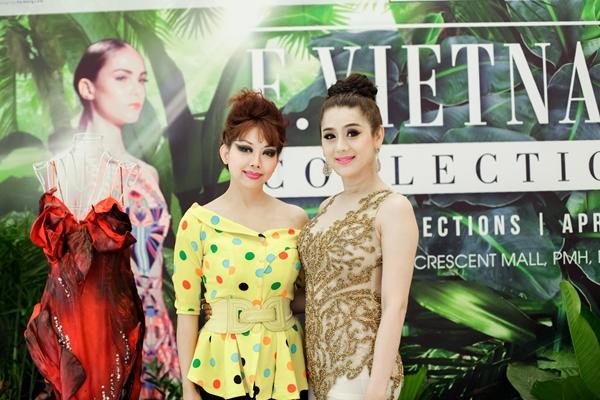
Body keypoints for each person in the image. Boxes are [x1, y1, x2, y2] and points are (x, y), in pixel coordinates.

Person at [173, 89, 309, 400]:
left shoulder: (296, 220)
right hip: (220, 369)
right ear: (225, 153)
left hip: (283, 367)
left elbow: (305, 295)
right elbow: (187, 311)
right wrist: (187, 388)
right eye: (245, 149)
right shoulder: (198, 222)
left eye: (268, 152)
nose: (256, 162)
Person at [297, 73, 418, 400]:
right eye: (330, 136)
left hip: (362, 376)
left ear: (377, 135)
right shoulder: (327, 206)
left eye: (353, 133)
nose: (340, 146)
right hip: (319, 375)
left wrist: (375, 392)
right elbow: (321, 292)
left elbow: (395, 305)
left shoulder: (393, 208)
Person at [73, 38, 180, 397]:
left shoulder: (148, 173)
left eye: (142, 79)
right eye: (122, 77)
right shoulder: (70, 172)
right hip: (101, 331)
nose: (136, 90)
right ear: (87, 87)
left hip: (156, 329)